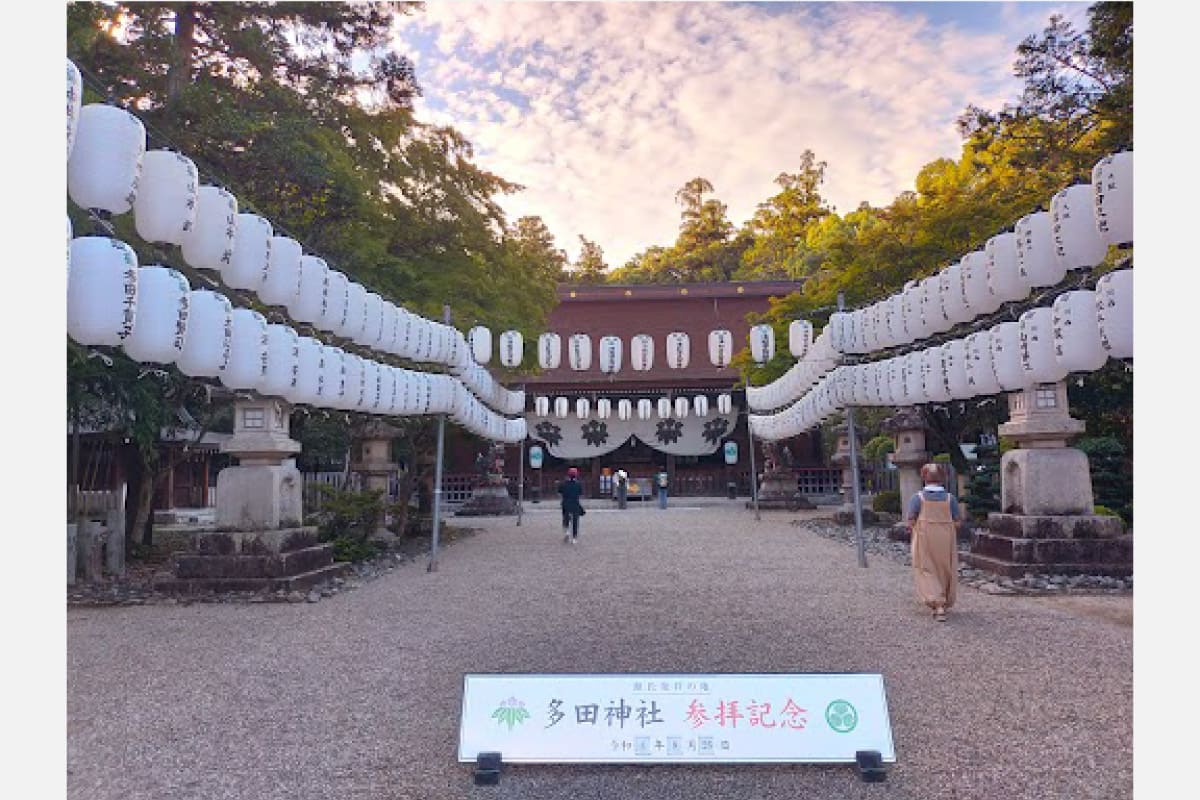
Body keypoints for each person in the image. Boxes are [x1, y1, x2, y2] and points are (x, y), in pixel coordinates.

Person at [905, 463, 963, 621]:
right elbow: (958, 521)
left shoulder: (918, 498)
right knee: (945, 568)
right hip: (945, 538)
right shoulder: (950, 498)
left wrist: (913, 528)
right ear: (943, 478)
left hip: (924, 537)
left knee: (926, 568)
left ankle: (938, 604)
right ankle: (944, 599)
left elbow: (911, 520)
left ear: (924, 477)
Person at [557, 467, 585, 544]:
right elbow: (580, 495)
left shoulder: (563, 484)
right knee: (575, 520)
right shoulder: (578, 484)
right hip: (575, 503)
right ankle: (574, 538)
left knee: (566, 518)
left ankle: (567, 532)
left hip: (566, 503)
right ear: (576, 475)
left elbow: (559, 493)